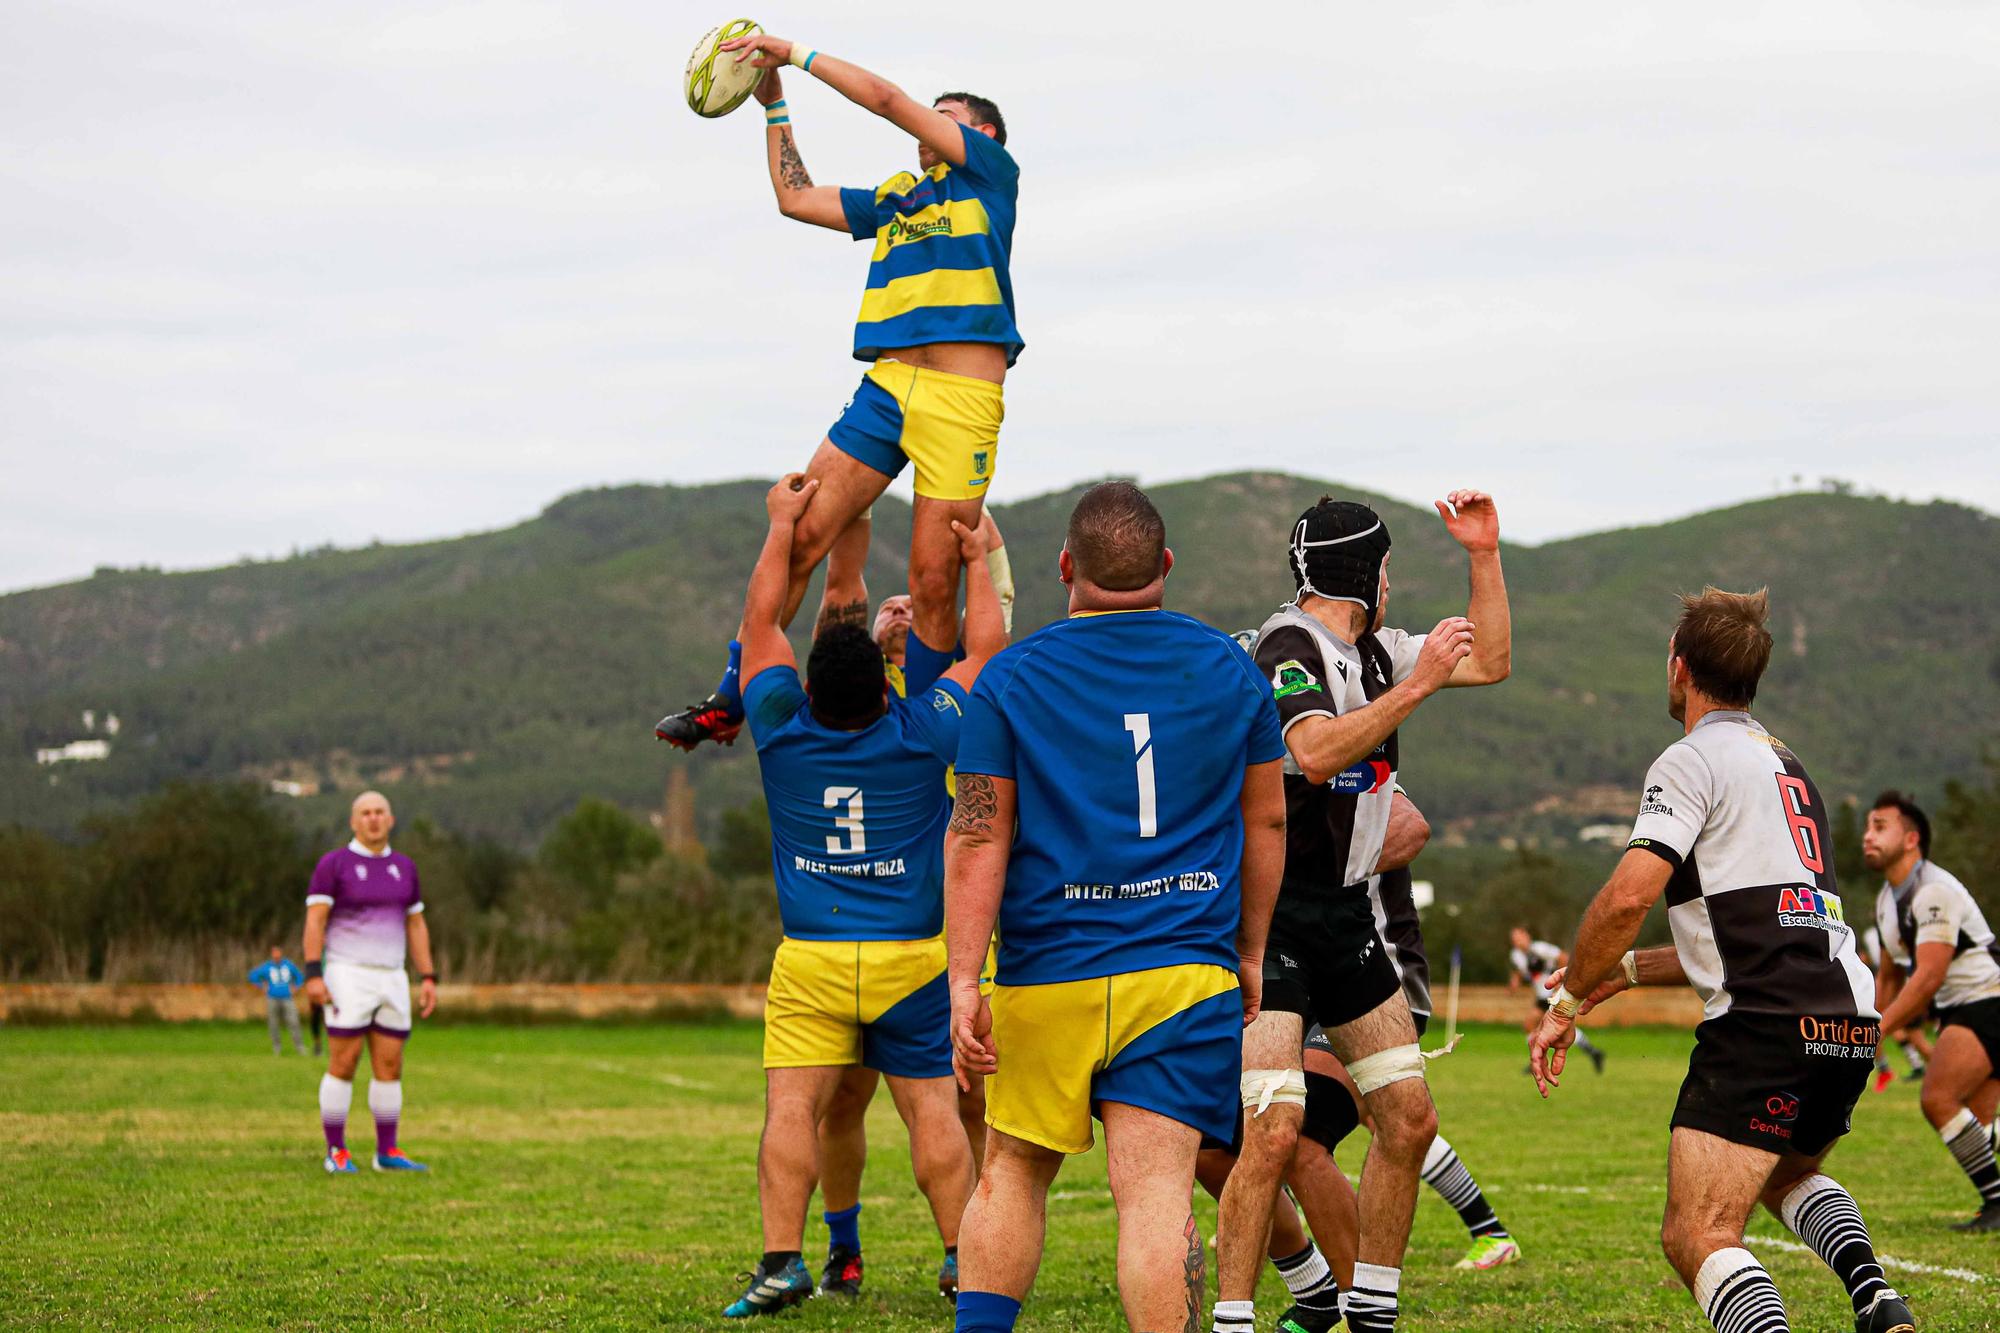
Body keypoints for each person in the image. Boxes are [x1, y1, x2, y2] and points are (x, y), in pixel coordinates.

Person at [946, 481, 1287, 1333]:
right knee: (1155, 1193)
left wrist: (960, 979)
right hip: (1178, 975)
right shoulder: (1229, 667)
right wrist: (1250, 953)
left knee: (1011, 1172)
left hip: (1047, 974)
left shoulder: (1010, 678)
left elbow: (978, 835)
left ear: (1066, 566)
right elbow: (1269, 817)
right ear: (1166, 566)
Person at [1531, 587, 1913, 1333]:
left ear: (1679, 669)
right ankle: (1876, 1299)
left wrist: (1568, 999)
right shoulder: (1787, 766)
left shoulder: (1690, 759)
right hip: (1848, 1021)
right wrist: (1625, 973)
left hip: (1767, 1024)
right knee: (1790, 1171)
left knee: (1697, 1233)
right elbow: (1753, 929)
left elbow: (1623, 899)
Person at [656, 28, 1022, 753]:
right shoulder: (897, 198)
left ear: (979, 133)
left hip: (961, 400)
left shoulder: (991, 172)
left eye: (943, 114)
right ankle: (730, 697)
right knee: (799, 533)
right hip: (886, 385)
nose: (927, 122)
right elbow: (794, 197)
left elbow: (887, 100)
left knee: (930, 578)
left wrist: (793, 52)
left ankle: (922, 737)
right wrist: (772, 103)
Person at [1219, 491, 1510, 1333]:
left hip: (1345, 917)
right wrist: (1418, 686)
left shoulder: (1377, 649)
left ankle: (1370, 1313)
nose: (1393, 584)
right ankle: (1234, 1319)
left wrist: (1483, 555)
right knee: (1274, 1131)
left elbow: (1489, 658)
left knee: (1409, 1120)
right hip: (1271, 915)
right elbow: (1309, 751)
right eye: (1387, 569)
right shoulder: (1289, 644)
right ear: (1364, 573)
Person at [720, 475, 1003, 1318]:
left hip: (811, 958)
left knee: (792, 1111)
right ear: (887, 686)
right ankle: (962, 1258)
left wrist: (780, 527)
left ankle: (783, 1260)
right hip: (910, 959)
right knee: (933, 1118)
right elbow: (985, 652)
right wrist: (979, 556)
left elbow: (760, 623)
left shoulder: (779, 722)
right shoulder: (922, 733)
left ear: (808, 687)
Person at [809, 519, 1011, 1300]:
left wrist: (871, 633)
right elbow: (977, 653)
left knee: (946, 1097)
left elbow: (985, 644)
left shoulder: (837, 727)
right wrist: (975, 559)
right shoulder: (899, 717)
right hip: (888, 941)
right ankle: (890, 1251)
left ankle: (938, 1247)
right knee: (873, 1100)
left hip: (881, 937)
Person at [1863, 789, 2000, 1230]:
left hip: (1987, 998)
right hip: (1965, 1007)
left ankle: (1997, 1205)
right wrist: (1872, 1022)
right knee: (1981, 1124)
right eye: (1867, 826)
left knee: (1938, 1098)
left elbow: (1929, 976)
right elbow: (1888, 976)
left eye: (1880, 827)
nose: (1868, 836)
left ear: (1911, 839)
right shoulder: (1887, 901)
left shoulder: (1934, 891)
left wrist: (1881, 1028)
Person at [301, 791, 438, 1175]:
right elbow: (315, 920)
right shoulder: (334, 865)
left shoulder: (405, 868)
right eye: (365, 813)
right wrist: (313, 974)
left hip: (392, 975)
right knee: (344, 1061)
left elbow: (415, 923)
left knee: (390, 1065)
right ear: (353, 821)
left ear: (391, 819)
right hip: (348, 972)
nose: (373, 819)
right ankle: (336, 1150)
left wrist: (427, 975)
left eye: (380, 812)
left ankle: (387, 1151)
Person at [1509, 926, 1606, 1074]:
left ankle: (1538, 1060)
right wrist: (1515, 982)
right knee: (1534, 1025)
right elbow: (1519, 971)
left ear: (1527, 936)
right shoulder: (1516, 955)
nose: (1517, 941)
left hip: (1553, 994)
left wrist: (1560, 983)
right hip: (1542, 995)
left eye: (1519, 937)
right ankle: (1592, 1052)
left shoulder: (1540, 948)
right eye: (1514, 939)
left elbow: (1563, 958)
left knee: (1547, 1026)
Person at [1859, 924, 1931, 1092]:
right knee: (1879, 1032)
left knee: (1914, 1039)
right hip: (1894, 989)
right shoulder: (1880, 931)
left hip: (1905, 991)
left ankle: (1940, 1073)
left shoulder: (1894, 928)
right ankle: (1891, 1069)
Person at [248, 945, 306, 1056]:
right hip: (272, 997)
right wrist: (262, 986)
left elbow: (299, 977)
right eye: (274, 953)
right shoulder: (267, 967)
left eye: (278, 953)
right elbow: (252, 976)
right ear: (272, 955)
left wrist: (295, 987)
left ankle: (299, 1046)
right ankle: (277, 1047)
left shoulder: (288, 965)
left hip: (287, 997)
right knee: (273, 1023)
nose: (276, 956)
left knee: (293, 1021)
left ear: (281, 954)